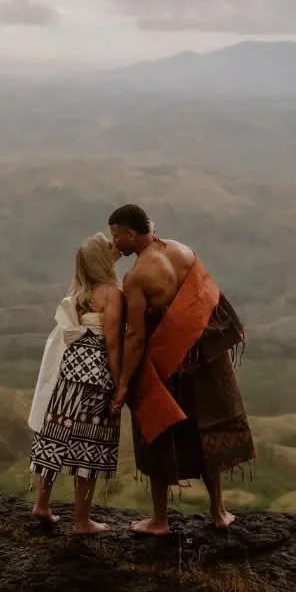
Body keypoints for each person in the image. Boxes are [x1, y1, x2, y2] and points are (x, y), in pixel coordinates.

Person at [108, 204, 255, 534]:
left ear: (132, 233)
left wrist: (122, 383)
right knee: (206, 430)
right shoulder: (183, 251)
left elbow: (134, 336)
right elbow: (207, 299)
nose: (115, 243)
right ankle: (219, 512)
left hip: (167, 367)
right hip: (205, 359)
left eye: (117, 236)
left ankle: (160, 520)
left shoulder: (136, 278)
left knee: (157, 431)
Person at [27, 231, 125, 534]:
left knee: (57, 432)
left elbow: (91, 267)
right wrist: (121, 383)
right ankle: (82, 520)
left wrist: (108, 254)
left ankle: (42, 503)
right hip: (95, 375)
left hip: (68, 371)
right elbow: (112, 343)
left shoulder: (79, 289)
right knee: (90, 443)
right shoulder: (111, 293)